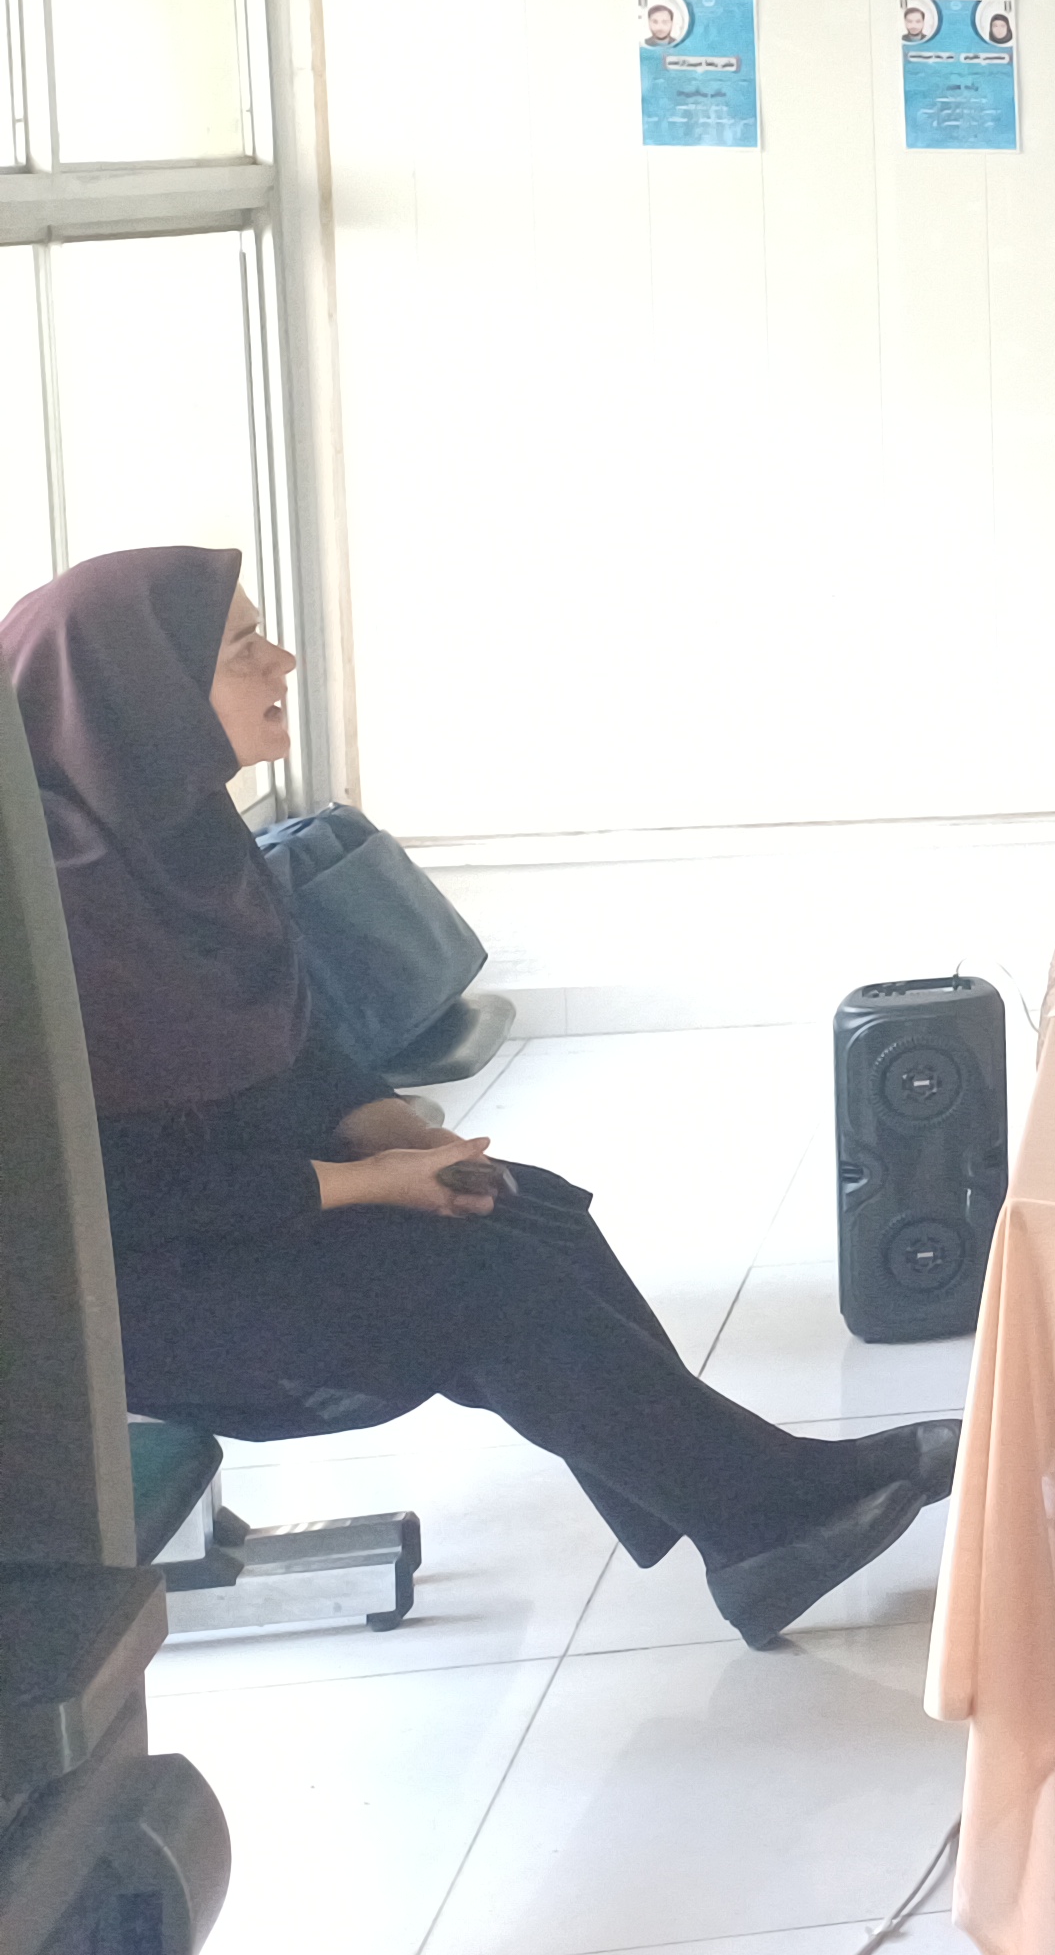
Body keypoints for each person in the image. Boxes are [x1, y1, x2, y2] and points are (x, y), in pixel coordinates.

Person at [1, 549, 954, 1649]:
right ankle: (760, 1512)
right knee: (473, 1278)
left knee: (523, 1204)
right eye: (242, 647)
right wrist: (366, 1185)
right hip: (111, 1300)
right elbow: (113, 1196)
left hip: (238, 1216)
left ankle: (744, 1519)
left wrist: (380, 1125)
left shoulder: (179, 841)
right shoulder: (49, 919)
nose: (284, 662)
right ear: (136, 695)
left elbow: (283, 1035)